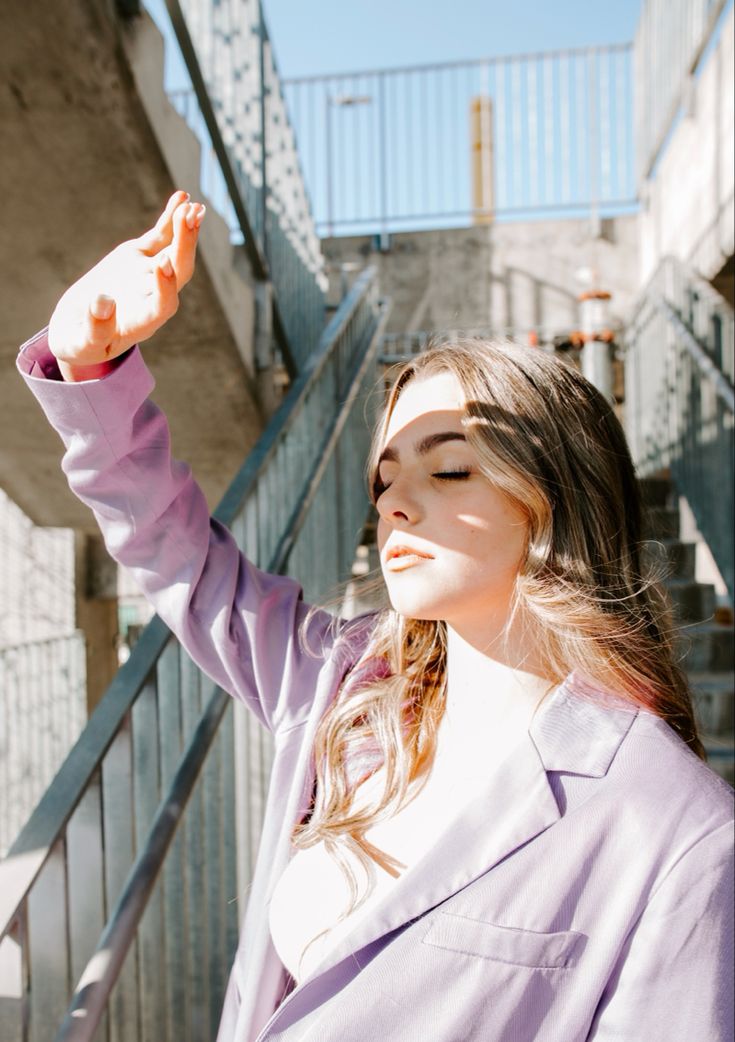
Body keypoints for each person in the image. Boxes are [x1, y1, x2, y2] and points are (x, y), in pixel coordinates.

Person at [18, 192, 734, 1042]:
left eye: (451, 469)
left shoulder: (675, 830)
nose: (395, 503)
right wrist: (91, 367)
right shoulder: (340, 684)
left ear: (557, 494)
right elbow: (176, 555)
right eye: (385, 477)